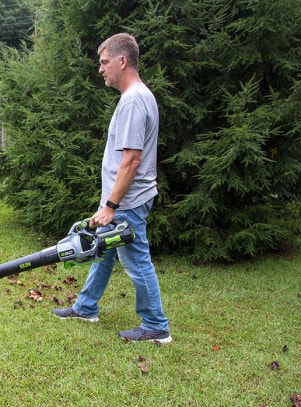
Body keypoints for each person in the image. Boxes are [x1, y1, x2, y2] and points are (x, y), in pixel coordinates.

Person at [52, 33, 171, 344]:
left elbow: (131, 160)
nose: (101, 69)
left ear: (122, 60)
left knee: (135, 260)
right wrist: (108, 203)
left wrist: (111, 206)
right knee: (103, 252)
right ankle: (86, 307)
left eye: (104, 62)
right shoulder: (139, 96)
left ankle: (156, 325)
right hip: (122, 200)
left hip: (128, 202)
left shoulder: (133, 100)